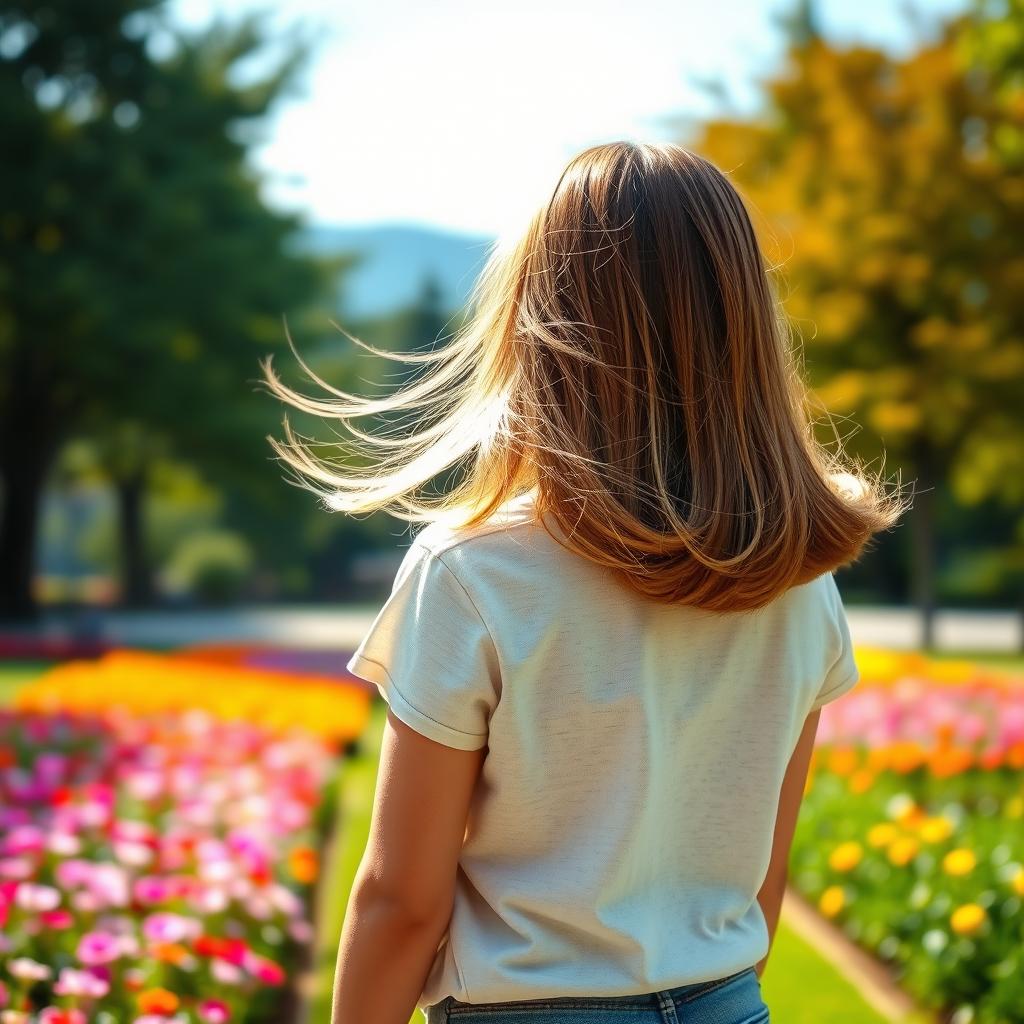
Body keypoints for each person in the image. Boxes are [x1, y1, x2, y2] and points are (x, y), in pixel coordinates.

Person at [262, 141, 911, 1024]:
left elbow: (402, 901)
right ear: (746, 325)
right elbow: (762, 882)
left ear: (540, 321)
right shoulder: (802, 579)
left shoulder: (473, 572)